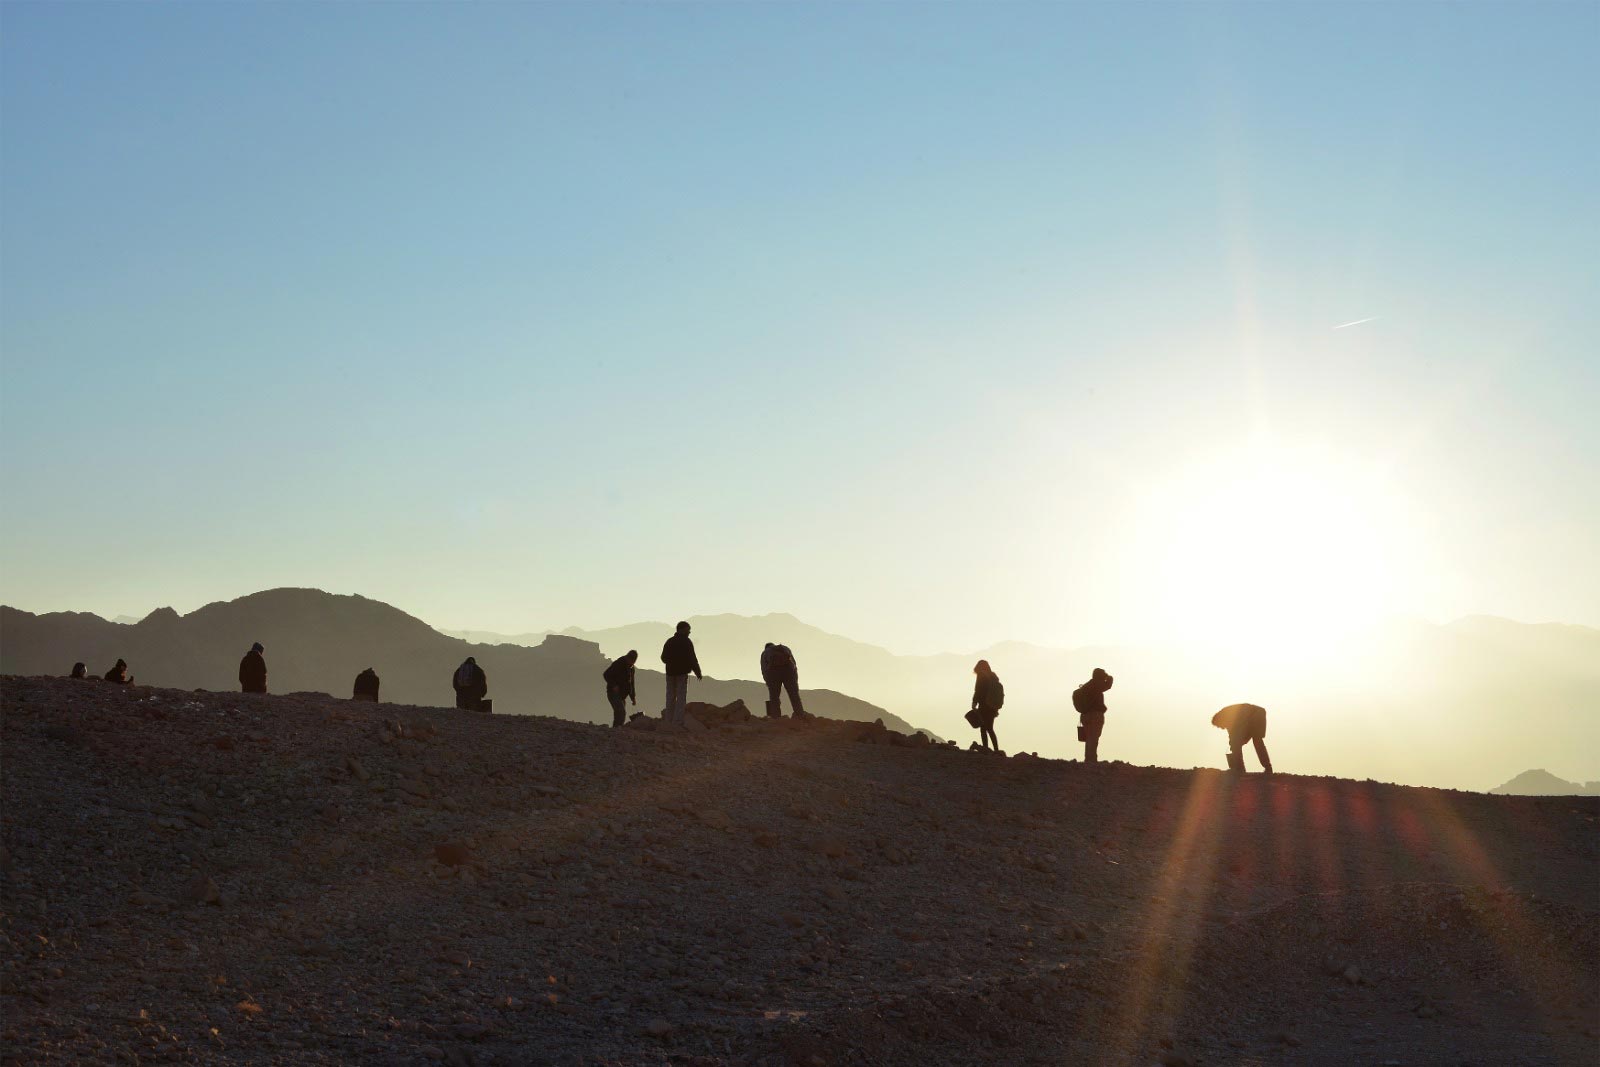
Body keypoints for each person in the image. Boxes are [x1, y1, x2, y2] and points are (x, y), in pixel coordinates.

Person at [659, 621, 702, 727]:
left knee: (670, 696)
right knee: (681, 697)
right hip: (682, 673)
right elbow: (692, 658)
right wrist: (698, 672)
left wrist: (671, 663)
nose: (689, 632)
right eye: (688, 630)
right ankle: (678, 722)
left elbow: (663, 657)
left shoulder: (669, 641)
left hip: (670, 673)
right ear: (682, 629)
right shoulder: (686, 642)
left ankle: (668, 720)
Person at [1213, 703, 1273, 774]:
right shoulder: (1225, 714)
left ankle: (1240, 769)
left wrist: (1234, 744)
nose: (1220, 728)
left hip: (1254, 715)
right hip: (1257, 714)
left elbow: (1233, 735)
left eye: (1218, 726)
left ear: (1219, 720)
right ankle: (1267, 767)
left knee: (1254, 741)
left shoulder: (1226, 717)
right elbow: (1238, 734)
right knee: (1257, 741)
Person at [1072, 667, 1114, 764]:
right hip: (1095, 715)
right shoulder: (1096, 684)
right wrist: (1109, 677)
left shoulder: (1086, 686)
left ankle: (1088, 759)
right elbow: (1108, 685)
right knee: (1093, 738)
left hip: (1085, 715)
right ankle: (1091, 760)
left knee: (1089, 738)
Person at [760, 642, 806, 718]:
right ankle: (800, 715)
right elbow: (794, 664)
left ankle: (775, 718)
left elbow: (764, 669)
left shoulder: (765, 653)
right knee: (794, 696)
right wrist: (795, 681)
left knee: (774, 697)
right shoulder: (785, 648)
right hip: (789, 672)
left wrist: (768, 682)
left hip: (773, 674)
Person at [969, 659, 1004, 752]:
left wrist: (974, 702)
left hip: (983, 705)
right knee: (990, 729)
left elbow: (978, 690)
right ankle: (996, 750)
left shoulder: (981, 675)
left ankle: (985, 749)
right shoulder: (993, 676)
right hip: (992, 706)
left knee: (983, 729)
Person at [603, 650, 639, 727]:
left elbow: (631, 683)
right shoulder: (618, 664)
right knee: (620, 712)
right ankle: (616, 730)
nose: (632, 663)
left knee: (621, 714)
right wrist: (614, 685)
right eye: (631, 661)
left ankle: (617, 730)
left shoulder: (631, 668)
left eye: (633, 662)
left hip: (622, 695)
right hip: (613, 693)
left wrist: (633, 697)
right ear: (628, 658)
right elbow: (606, 674)